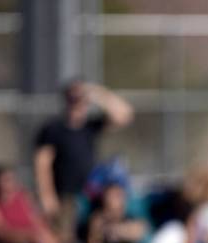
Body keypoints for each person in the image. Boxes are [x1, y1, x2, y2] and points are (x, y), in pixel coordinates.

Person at [33, 80, 133, 233]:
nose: (78, 103)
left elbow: (124, 115)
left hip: (90, 194)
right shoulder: (53, 129)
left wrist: (97, 93)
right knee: (65, 239)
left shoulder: (89, 127)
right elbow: (42, 164)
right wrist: (47, 197)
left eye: (81, 98)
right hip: (66, 196)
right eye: (74, 98)